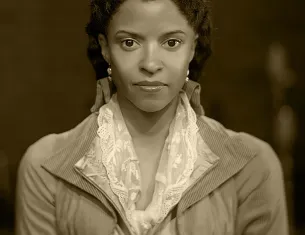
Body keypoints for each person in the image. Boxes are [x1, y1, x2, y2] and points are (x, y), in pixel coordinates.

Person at [15, 0, 289, 234]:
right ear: (105, 47)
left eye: (171, 42)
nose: (150, 64)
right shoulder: (44, 168)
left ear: (192, 47)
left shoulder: (252, 167)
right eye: (129, 42)